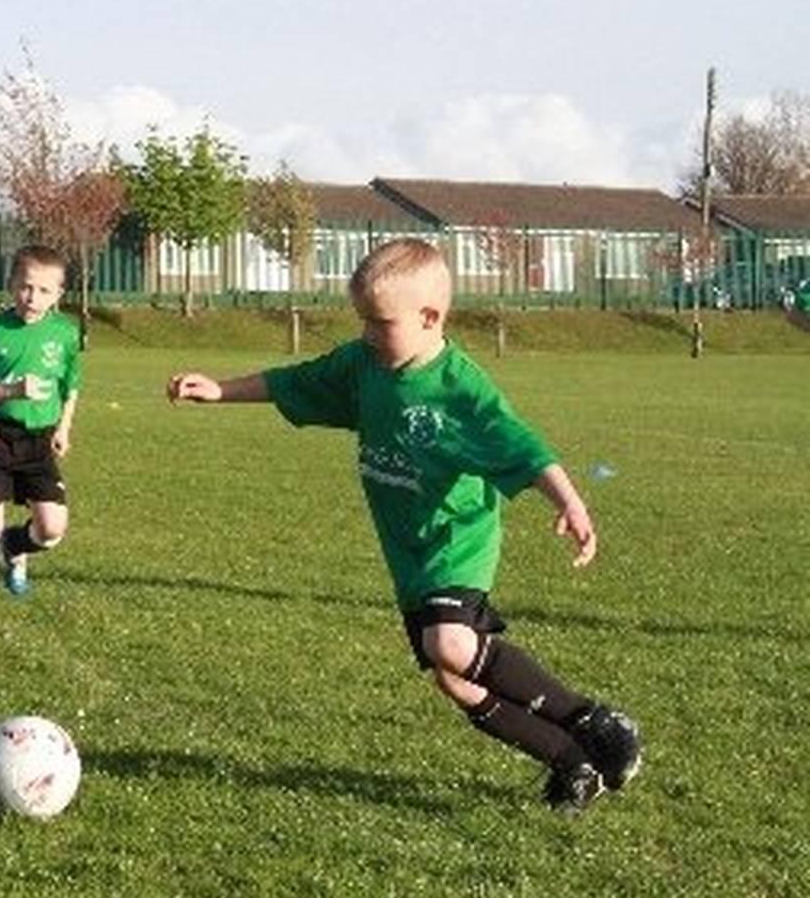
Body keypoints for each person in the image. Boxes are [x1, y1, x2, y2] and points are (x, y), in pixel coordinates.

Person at [166, 237, 642, 813]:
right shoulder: (364, 365)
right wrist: (221, 390)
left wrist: (568, 502)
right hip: (409, 556)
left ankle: (594, 721)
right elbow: (297, 381)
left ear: (429, 317)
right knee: (455, 679)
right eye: (362, 320)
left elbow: (523, 447)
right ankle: (571, 762)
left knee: (450, 643)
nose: (367, 333)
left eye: (379, 322)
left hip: (455, 542)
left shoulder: (460, 390)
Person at [0, 244, 80, 615]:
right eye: (26, 287)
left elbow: (70, 386)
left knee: (53, 528)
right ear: (11, 285)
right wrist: (11, 390)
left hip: (39, 442)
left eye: (44, 290)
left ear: (58, 294)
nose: (32, 297)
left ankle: (15, 546)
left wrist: (64, 428)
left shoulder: (65, 334)